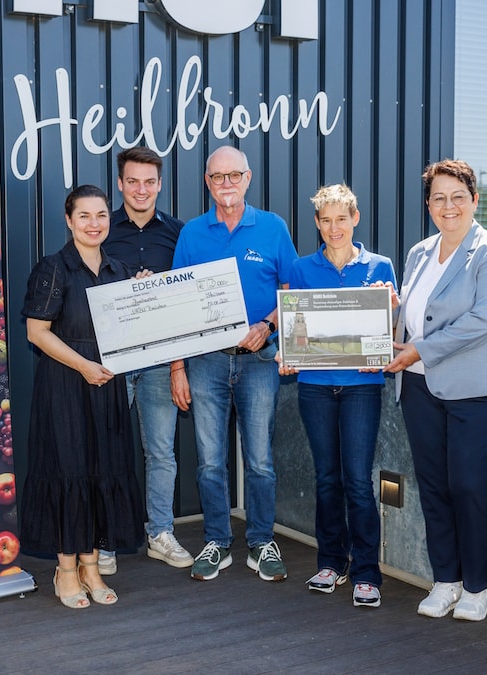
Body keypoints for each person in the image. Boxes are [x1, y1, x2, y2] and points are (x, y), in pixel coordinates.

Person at [384, 159, 487, 621]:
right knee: (434, 487)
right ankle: (445, 579)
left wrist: (419, 350)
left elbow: (484, 320)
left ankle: (477, 587)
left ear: (474, 200)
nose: (449, 206)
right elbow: (411, 315)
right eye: (439, 197)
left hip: (482, 389)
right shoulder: (419, 253)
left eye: (458, 196)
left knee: (469, 484)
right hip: (422, 388)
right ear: (428, 204)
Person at [171, 146, 298, 582]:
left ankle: (261, 541)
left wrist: (268, 324)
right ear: (207, 183)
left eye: (233, 176)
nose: (226, 184)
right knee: (209, 461)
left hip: (259, 361)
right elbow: (176, 306)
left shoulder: (272, 228)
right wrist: (177, 368)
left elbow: (291, 292)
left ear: (247, 179)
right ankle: (218, 541)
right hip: (205, 363)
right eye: (217, 177)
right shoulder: (192, 234)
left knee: (260, 460)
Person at [20, 184, 145, 609]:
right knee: (68, 470)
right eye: (85, 216)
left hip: (106, 386)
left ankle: (92, 566)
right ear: (69, 220)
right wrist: (84, 366)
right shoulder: (54, 268)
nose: (95, 224)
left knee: (102, 469)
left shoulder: (120, 269)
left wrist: (149, 295)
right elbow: (36, 333)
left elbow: (138, 326)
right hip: (65, 386)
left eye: (102, 215)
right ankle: (66, 569)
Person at [278, 183, 397, 608]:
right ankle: (331, 562)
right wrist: (288, 355)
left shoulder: (380, 267)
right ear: (317, 223)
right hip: (314, 387)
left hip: (362, 387)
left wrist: (391, 320)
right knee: (327, 479)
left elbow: (391, 332)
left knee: (358, 483)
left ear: (355, 219)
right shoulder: (301, 267)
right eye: (326, 221)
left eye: (341, 219)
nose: (334, 228)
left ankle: (367, 572)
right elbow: (295, 328)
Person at [99, 147, 192, 574]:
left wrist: (178, 366)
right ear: (121, 184)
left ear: (159, 184)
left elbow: (189, 296)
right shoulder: (102, 228)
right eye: (132, 181)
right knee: (107, 451)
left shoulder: (178, 233)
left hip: (159, 360)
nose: (141, 189)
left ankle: (160, 532)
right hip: (112, 362)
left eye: (149, 182)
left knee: (161, 452)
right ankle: (105, 539)